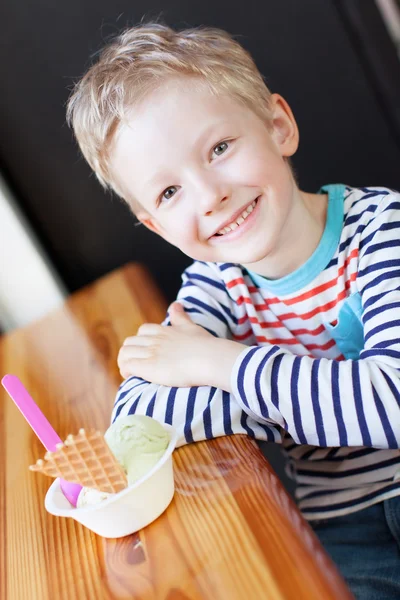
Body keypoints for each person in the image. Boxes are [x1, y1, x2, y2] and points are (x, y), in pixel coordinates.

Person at [67, 22, 400, 599]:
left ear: (278, 126)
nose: (208, 195)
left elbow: (390, 404)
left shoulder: (382, 230)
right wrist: (276, 399)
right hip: (346, 528)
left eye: (219, 149)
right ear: (156, 226)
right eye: (169, 193)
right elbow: (144, 417)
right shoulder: (216, 284)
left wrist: (220, 365)